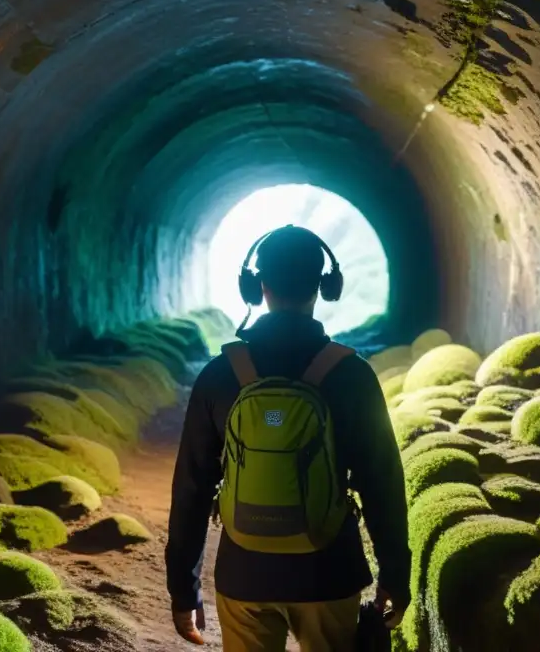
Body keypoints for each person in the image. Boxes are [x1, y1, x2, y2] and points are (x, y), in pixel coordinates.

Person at [165, 225, 410, 650]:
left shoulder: (221, 375)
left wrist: (183, 589)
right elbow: (382, 482)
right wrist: (394, 574)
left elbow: (191, 488)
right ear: (323, 287)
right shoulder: (352, 375)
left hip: (244, 573)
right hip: (329, 571)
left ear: (258, 286)